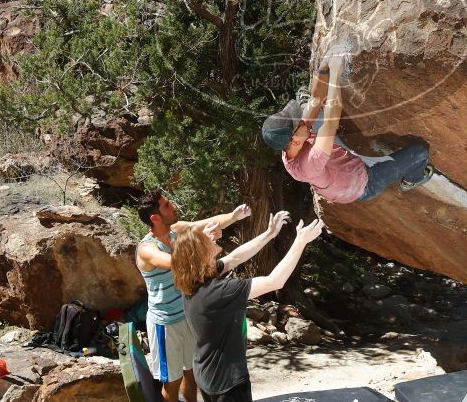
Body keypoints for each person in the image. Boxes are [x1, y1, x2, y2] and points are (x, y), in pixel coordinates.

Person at [172, 212, 324, 402]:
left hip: (207, 372)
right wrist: (301, 241)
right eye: (204, 237)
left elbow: (235, 257)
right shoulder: (219, 292)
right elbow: (274, 281)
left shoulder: (193, 282)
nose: (211, 235)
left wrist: (269, 233)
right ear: (200, 252)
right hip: (228, 382)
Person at [261, 50, 433, 204]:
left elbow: (316, 99)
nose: (301, 120)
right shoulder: (309, 164)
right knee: (420, 152)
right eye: (297, 124)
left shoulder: (293, 142)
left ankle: (350, 156)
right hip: (364, 183)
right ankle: (411, 180)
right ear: (295, 141)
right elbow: (332, 117)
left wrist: (324, 65)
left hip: (338, 162)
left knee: (315, 110)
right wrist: (335, 72)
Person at [135, 192, 253, 402]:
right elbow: (178, 263)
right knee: (171, 383)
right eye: (167, 205)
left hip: (187, 316)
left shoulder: (176, 231)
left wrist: (234, 217)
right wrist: (203, 244)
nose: (173, 207)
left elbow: (206, 223)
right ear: (155, 217)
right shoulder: (147, 249)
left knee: (192, 373)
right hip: (165, 324)